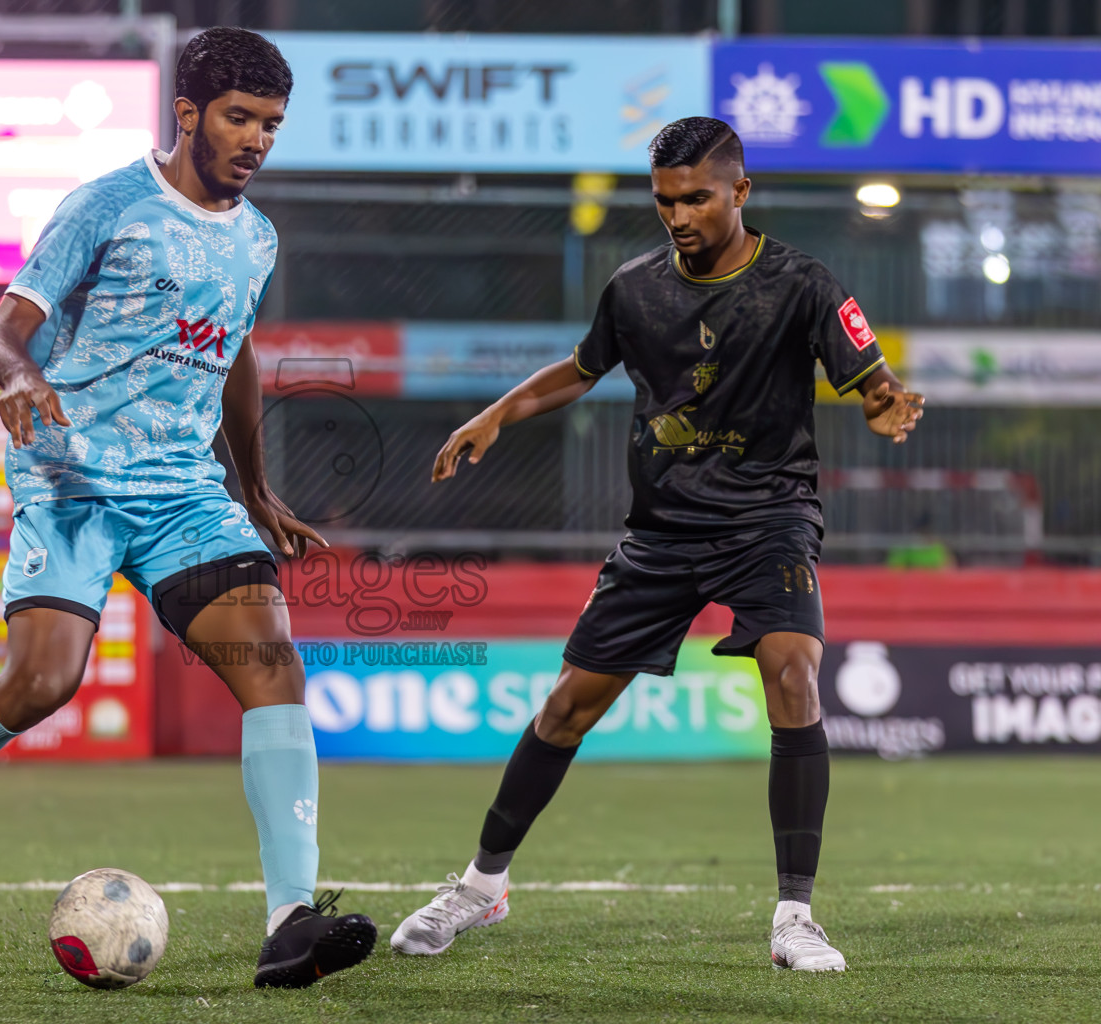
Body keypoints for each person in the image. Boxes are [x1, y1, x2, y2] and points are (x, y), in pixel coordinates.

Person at [0, 27, 376, 989]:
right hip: (74, 481)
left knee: (271, 667)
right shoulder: (108, 205)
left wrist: (256, 488)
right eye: (240, 119)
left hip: (185, 495)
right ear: (189, 114)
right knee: (40, 687)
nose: (256, 141)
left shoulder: (256, 237)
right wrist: (23, 377)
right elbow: (0, 334)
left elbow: (234, 355)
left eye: (272, 126)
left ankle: (291, 922)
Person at [391, 116, 924, 972]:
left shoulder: (803, 284)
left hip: (768, 516)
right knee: (568, 706)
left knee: (794, 671)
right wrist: (498, 412)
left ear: (740, 193)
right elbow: (580, 366)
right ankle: (479, 888)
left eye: (698, 198)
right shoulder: (634, 288)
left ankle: (795, 917)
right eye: (665, 200)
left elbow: (870, 376)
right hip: (664, 528)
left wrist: (884, 401)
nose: (679, 216)